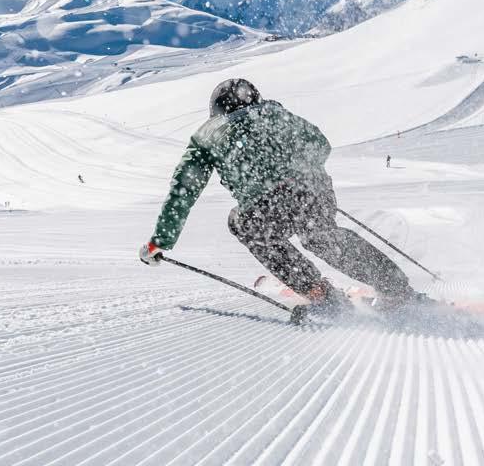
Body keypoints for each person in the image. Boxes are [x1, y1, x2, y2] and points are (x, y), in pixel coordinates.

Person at [139, 78, 420, 314]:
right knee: (320, 235)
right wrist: (297, 174)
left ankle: (317, 291)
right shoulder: (275, 113)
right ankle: (396, 290)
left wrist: (160, 241)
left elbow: (183, 190)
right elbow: (321, 144)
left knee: (241, 223)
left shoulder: (207, 134)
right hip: (313, 189)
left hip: (267, 206)